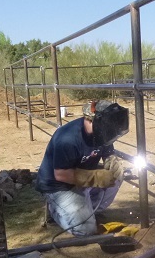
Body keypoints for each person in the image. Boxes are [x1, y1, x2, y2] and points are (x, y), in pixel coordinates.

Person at [35, 100, 129, 236]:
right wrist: (95, 177)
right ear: (91, 120)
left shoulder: (103, 133)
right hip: (59, 186)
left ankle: (91, 211)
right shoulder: (68, 139)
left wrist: (112, 161)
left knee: (116, 176)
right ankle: (54, 210)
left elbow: (108, 153)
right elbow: (61, 175)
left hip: (81, 179)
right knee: (85, 231)